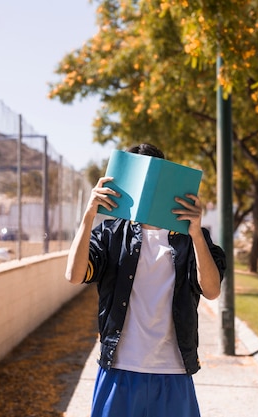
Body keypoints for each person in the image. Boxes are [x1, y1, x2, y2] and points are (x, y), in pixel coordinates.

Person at [65, 143, 226, 417]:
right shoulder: (110, 233)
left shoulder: (192, 240)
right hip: (120, 368)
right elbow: (74, 275)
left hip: (172, 370)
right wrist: (88, 216)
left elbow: (210, 291)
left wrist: (197, 233)